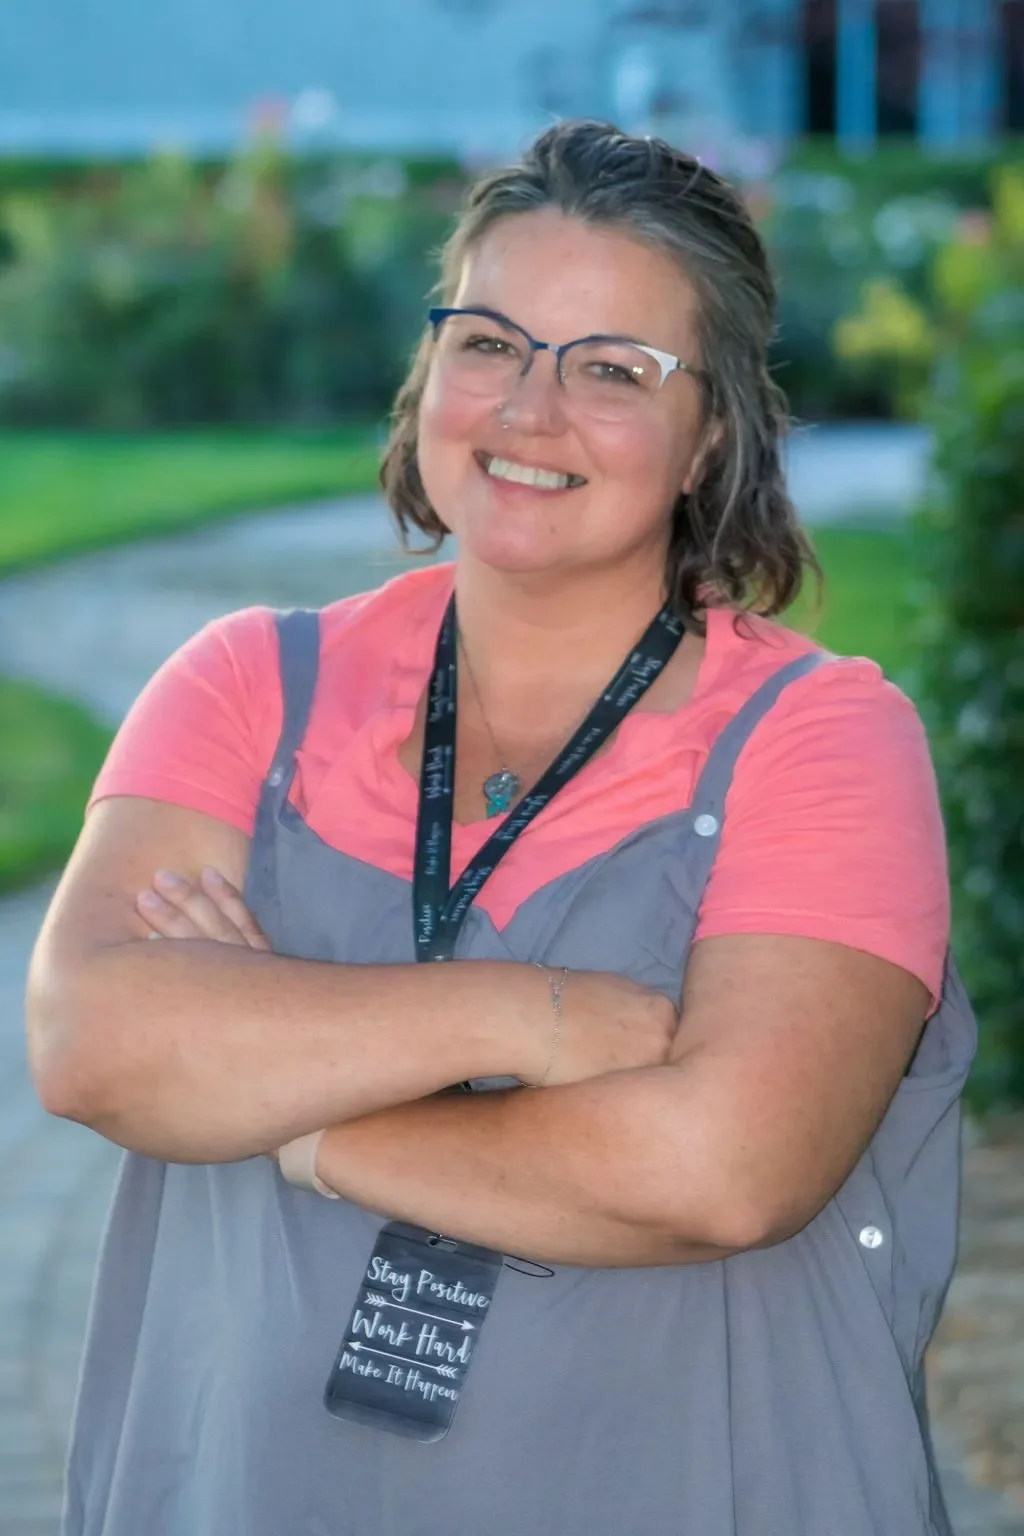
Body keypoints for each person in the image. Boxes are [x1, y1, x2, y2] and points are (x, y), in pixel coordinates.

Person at [27, 121, 975, 1536]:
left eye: (611, 371)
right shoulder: (245, 688)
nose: (530, 413)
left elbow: (721, 1168)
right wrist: (525, 1019)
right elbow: (96, 1046)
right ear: (429, 375)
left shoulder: (825, 740)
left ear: (713, 428)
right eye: (491, 343)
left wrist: (294, 1120)